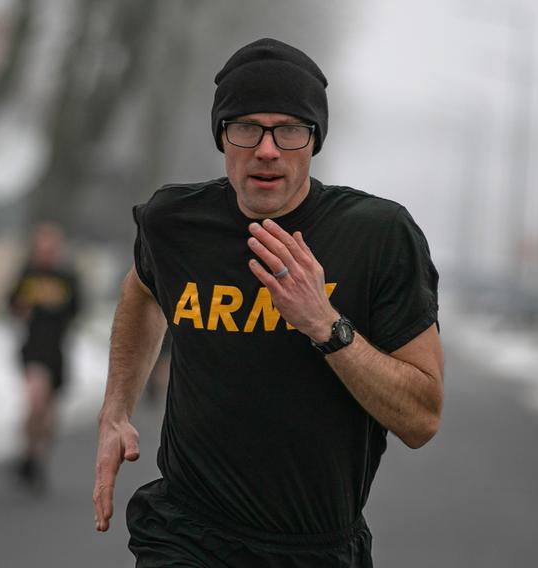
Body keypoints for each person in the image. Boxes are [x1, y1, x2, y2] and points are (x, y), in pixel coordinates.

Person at [93, 38, 444, 566]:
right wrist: (115, 411)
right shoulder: (174, 223)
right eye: (245, 127)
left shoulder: (378, 237)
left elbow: (421, 419)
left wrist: (326, 324)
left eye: (289, 130)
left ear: (314, 141)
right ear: (222, 137)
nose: (266, 149)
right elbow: (142, 289)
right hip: (187, 533)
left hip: (315, 546)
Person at [8, 222, 81, 493]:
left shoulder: (67, 277)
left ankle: (37, 458)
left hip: (57, 350)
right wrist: (22, 308)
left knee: (49, 414)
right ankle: (27, 451)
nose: (46, 252)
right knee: (35, 401)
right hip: (32, 348)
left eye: (51, 247)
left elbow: (76, 310)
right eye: (42, 246)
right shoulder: (27, 275)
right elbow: (11, 304)